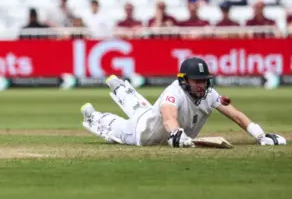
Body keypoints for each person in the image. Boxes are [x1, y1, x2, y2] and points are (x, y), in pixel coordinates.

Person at [81, 57, 287, 147]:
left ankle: (120, 88)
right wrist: (176, 133)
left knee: (140, 108)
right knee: (115, 128)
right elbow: (169, 115)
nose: (200, 85)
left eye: (203, 80)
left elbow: (237, 116)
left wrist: (260, 135)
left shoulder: (210, 94)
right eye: (196, 81)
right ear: (184, 80)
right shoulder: (174, 91)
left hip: (151, 118)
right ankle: (94, 116)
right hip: (140, 134)